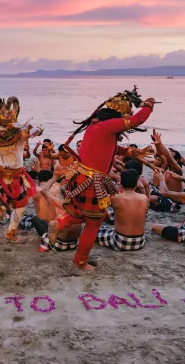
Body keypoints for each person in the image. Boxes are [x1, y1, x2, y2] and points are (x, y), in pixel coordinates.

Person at [60, 87, 155, 270]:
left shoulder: (96, 126)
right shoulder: (109, 125)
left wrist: (127, 151)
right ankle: (80, 261)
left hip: (81, 178)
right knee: (93, 225)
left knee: (84, 214)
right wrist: (149, 104)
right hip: (92, 182)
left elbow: (106, 147)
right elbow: (138, 119)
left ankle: (60, 223)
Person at [0, 97, 43, 241]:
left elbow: (33, 131)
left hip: (17, 176)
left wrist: (37, 130)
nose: (0, 133)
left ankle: (11, 231)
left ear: (10, 128)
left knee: (21, 207)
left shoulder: (20, 137)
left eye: (3, 129)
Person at [28, 169, 83, 252]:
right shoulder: (79, 207)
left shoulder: (60, 202)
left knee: (36, 219)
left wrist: (54, 178)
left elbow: (43, 190)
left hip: (58, 244)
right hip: (75, 244)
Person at [96, 169, 149, 251]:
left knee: (95, 230)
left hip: (120, 241)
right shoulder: (144, 198)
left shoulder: (114, 197)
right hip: (140, 241)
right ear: (136, 183)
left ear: (121, 183)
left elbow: (99, 206)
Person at [149, 130, 184, 213]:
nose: (168, 158)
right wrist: (157, 144)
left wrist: (160, 144)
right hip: (165, 195)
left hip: (173, 203)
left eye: (171, 157)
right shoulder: (167, 169)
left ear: (177, 160)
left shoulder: (178, 171)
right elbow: (162, 154)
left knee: (149, 198)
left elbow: (168, 157)